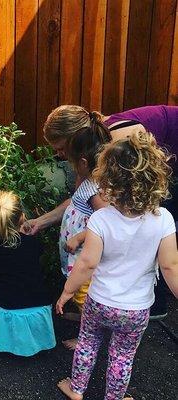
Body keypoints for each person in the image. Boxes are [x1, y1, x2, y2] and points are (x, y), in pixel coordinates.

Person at [56, 131, 178, 400]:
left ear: (108, 177)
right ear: (156, 177)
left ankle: (76, 389)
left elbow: (87, 264)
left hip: (99, 301)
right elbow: (170, 266)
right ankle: (115, 397)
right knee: (122, 356)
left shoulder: (102, 219)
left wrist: (67, 291)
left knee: (87, 343)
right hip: (136, 309)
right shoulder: (163, 220)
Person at [29, 104, 178, 319]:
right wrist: (41, 222)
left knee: (158, 222)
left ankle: (153, 303)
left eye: (61, 148)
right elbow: (80, 199)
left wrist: (84, 236)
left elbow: (135, 206)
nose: (59, 155)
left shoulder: (120, 142)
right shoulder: (91, 152)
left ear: (76, 136)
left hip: (168, 151)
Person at [0, 191, 56, 356]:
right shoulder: (34, 243)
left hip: (7, 310)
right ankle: (38, 337)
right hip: (40, 308)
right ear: (22, 217)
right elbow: (37, 268)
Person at [59, 121, 109, 349]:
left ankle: (88, 338)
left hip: (83, 251)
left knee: (83, 294)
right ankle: (83, 319)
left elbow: (109, 220)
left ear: (83, 162)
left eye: (72, 163)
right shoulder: (91, 182)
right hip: (78, 250)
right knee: (82, 291)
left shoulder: (93, 188)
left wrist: (79, 237)